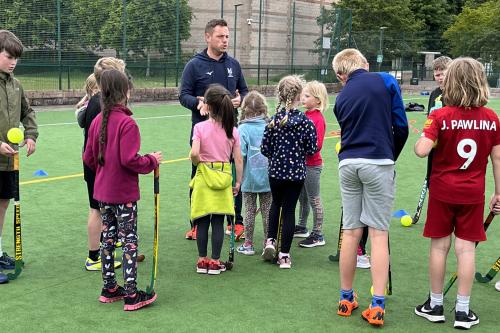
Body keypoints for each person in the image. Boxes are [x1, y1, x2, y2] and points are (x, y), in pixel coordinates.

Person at [414, 57, 500, 330]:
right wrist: (498, 192)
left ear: (449, 82)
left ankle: (435, 305)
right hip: (472, 194)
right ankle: (462, 311)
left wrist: (428, 135)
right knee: (466, 250)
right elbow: (497, 159)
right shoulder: (492, 118)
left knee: (440, 247)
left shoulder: (439, 115)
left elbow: (421, 150)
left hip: (442, 191)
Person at [332, 49, 408, 326]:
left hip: (348, 164)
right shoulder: (386, 80)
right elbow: (401, 126)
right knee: (378, 234)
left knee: (351, 233)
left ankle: (345, 297)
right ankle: (377, 303)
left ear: (342, 75)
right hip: (378, 161)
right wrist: (390, 155)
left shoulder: (340, 99)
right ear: (364, 63)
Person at [83, 69, 162, 310]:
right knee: (128, 241)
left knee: (108, 238)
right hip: (123, 194)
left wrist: (105, 171)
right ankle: (130, 293)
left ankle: (109, 287)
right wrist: (151, 160)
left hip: (103, 192)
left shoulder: (98, 121)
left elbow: (88, 157)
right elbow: (130, 159)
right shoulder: (127, 123)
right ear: (125, 92)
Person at [180, 18, 248, 241]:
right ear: (208, 37)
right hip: (202, 131)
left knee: (232, 173)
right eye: (220, 36)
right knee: (199, 175)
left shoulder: (234, 65)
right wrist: (197, 104)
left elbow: (245, 92)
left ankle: (235, 222)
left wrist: (240, 100)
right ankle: (197, 224)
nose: (225, 40)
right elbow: (184, 95)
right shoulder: (194, 65)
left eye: (227, 36)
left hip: (229, 129)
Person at [261, 75, 318, 269]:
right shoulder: (306, 122)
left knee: (276, 204)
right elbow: (312, 149)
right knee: (289, 210)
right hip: (295, 174)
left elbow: (265, 149)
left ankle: (270, 240)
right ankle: (284, 254)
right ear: (299, 95)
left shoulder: (273, 121)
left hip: (276, 172)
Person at [189, 84, 243, 274]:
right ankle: (214, 261)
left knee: (203, 219)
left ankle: (202, 260)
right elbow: (238, 159)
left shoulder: (199, 127)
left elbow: (194, 152)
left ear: (208, 106)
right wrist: (238, 182)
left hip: (204, 175)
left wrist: (197, 163)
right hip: (223, 175)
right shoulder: (233, 130)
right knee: (218, 221)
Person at [0, 30, 38, 284]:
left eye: (16, 58)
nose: (13, 61)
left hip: (8, 160)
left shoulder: (15, 84)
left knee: (2, 205)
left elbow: (27, 111)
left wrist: (32, 135)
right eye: (8, 56)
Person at [82, 57, 126, 271]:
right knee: (96, 209)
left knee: (103, 209)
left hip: (97, 163)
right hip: (97, 164)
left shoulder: (100, 101)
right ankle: (93, 257)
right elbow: (98, 140)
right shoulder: (98, 105)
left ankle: (107, 247)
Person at [236, 91, 272, 256]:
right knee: (267, 210)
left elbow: (240, 154)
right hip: (268, 177)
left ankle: (248, 244)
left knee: (249, 210)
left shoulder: (242, 128)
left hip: (249, 178)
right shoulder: (269, 125)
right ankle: (267, 242)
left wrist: (237, 178)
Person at [296, 80, 327, 248]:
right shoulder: (304, 116)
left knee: (314, 198)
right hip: (302, 164)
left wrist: (300, 147)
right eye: (303, 95)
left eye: (307, 96)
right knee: (302, 197)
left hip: (312, 165)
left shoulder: (318, 119)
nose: (303, 98)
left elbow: (318, 144)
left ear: (318, 100)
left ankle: (318, 233)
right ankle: (302, 226)